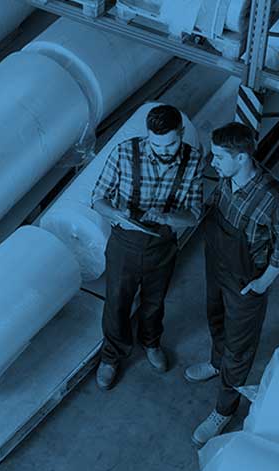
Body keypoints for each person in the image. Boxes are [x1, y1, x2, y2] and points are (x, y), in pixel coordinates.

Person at [185, 122, 279, 446]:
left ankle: (224, 408)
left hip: (246, 281)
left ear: (242, 156)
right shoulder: (227, 178)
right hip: (217, 265)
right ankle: (214, 361)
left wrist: (262, 284)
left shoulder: (276, 201)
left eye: (219, 156)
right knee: (215, 318)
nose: (213, 162)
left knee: (240, 347)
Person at [91, 104, 204, 390]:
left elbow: (194, 215)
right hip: (124, 243)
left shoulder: (193, 159)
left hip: (162, 245)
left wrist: (168, 217)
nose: (164, 151)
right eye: (157, 144)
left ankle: (151, 342)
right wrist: (116, 215)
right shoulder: (125, 153)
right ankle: (111, 356)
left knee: (154, 302)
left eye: (171, 144)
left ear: (181, 132)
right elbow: (98, 198)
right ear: (148, 135)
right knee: (117, 302)